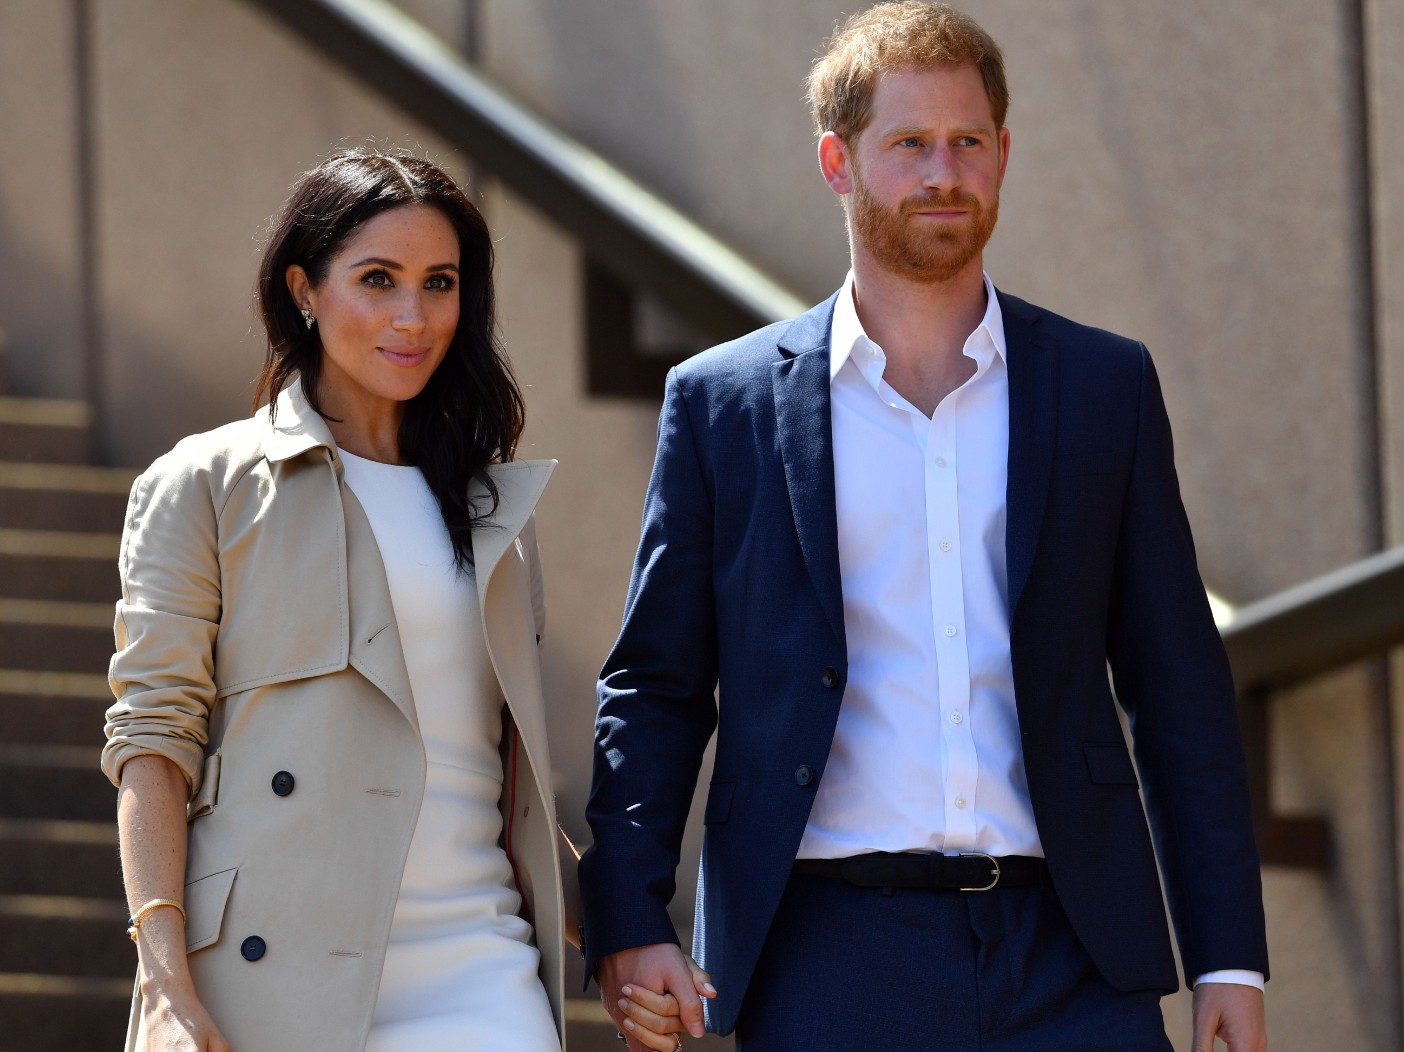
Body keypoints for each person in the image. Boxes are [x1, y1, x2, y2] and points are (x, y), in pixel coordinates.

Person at [579, 4, 1270, 1050]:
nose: (943, 171)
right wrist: (631, 916)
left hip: (1075, 949)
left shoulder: (1102, 385)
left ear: (1003, 153)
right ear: (837, 159)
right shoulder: (722, 405)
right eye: (908, 143)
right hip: (828, 949)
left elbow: (1178, 685)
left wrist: (1227, 953)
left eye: (968, 141)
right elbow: (658, 685)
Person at [101, 148, 682, 1052]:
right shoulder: (205, 485)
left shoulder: (493, 509)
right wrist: (166, 985)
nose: (414, 317)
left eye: (439, 283)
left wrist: (617, 936)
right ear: (305, 289)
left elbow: (500, 782)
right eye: (379, 280)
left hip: (481, 969)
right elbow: (153, 744)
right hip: (270, 976)